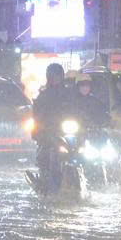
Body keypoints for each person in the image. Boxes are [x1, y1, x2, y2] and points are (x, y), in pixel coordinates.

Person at [30, 62, 82, 190]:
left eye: (58, 76)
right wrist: (39, 129)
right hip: (48, 133)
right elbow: (37, 114)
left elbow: (78, 110)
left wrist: (83, 121)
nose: (55, 79)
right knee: (44, 154)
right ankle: (44, 180)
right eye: (52, 76)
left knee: (81, 149)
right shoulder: (44, 95)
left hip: (66, 132)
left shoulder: (69, 93)